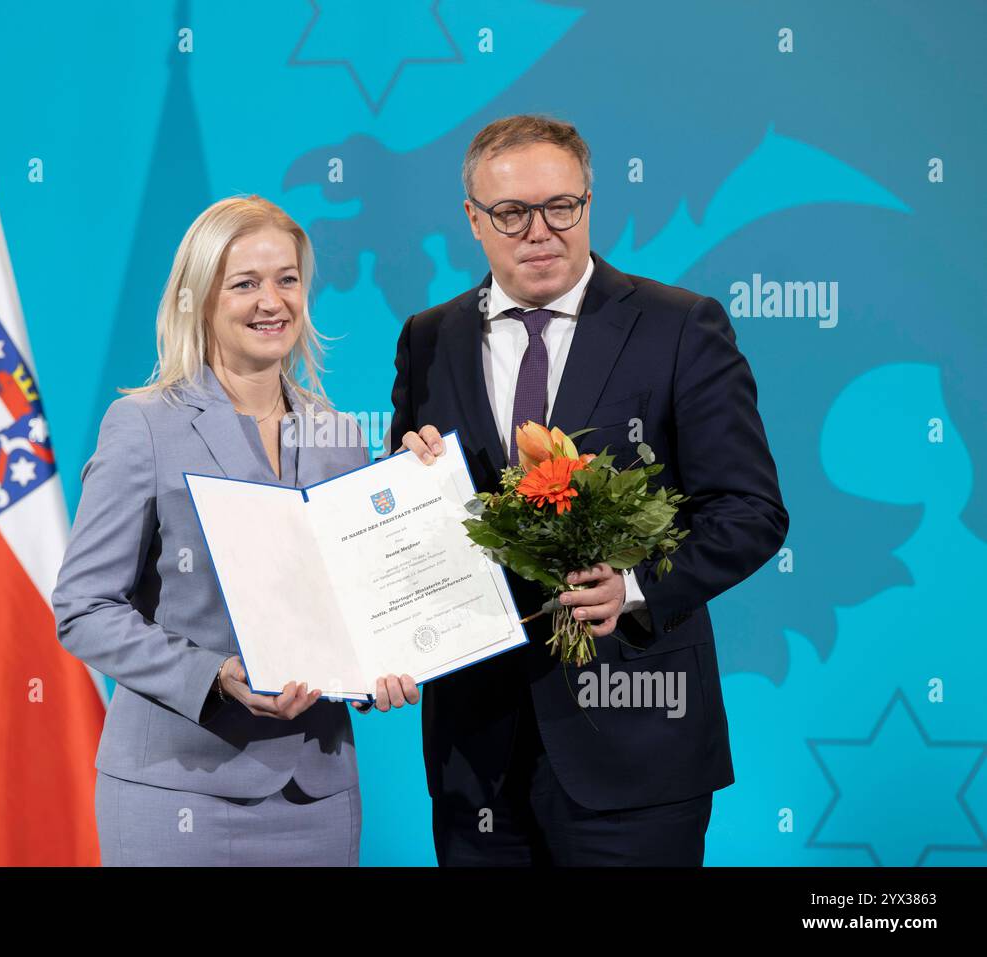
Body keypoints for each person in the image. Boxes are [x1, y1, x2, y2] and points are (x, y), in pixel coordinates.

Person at [392, 115, 789, 866]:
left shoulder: (680, 326)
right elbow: (415, 517)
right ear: (473, 221)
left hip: (638, 747)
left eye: (560, 207)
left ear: (589, 203)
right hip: (476, 754)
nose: (539, 231)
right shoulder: (428, 337)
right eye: (510, 213)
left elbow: (751, 511)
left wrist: (636, 587)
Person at [53, 195, 418, 867]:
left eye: (286, 279)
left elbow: (354, 610)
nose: (270, 301)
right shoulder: (144, 424)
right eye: (244, 283)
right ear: (199, 299)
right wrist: (214, 674)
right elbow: (82, 609)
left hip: (319, 794)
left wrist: (385, 664)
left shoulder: (338, 437)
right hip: (177, 791)